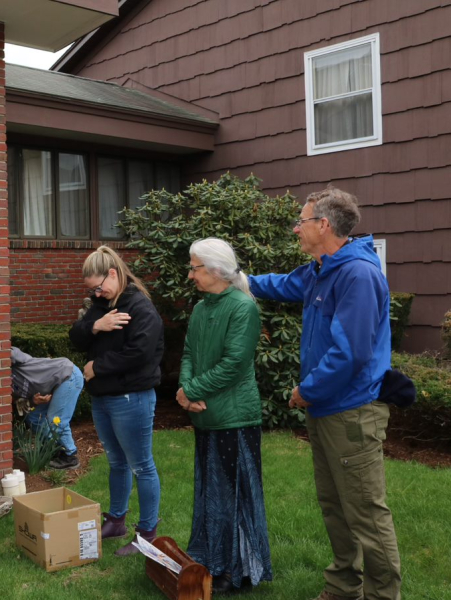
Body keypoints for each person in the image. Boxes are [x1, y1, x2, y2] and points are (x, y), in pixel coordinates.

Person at [249, 187, 401, 600]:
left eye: (301, 220)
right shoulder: (322, 268)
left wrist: (306, 391)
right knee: (335, 507)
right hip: (327, 409)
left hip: (351, 413)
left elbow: (349, 354)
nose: (296, 228)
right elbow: (283, 285)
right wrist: (238, 280)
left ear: (324, 225)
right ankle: (342, 586)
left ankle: (383, 595)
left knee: (366, 513)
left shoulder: (357, 274)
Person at [178, 238, 272, 594]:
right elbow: (188, 353)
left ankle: (237, 571)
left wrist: (192, 391)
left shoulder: (242, 308)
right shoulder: (202, 308)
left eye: (194, 267)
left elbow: (234, 364)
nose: (190, 275)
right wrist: (187, 392)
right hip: (206, 415)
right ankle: (209, 561)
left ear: (216, 270)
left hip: (235, 418)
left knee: (233, 497)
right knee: (210, 495)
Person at [69, 245, 165, 557]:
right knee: (116, 462)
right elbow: (75, 337)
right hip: (103, 397)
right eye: (91, 290)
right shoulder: (101, 304)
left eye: (99, 286)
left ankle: (147, 532)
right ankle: (117, 520)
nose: (96, 293)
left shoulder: (140, 307)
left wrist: (98, 366)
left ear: (113, 273)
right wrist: (96, 325)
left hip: (131, 397)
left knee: (141, 465)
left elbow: (140, 353)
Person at [11, 346, 84, 470]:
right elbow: (22, 403)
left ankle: (70, 456)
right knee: (33, 417)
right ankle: (53, 449)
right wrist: (33, 401)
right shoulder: (3, 386)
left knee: (56, 419)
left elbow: (13, 353)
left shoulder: (16, 359)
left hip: (67, 376)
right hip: (51, 385)